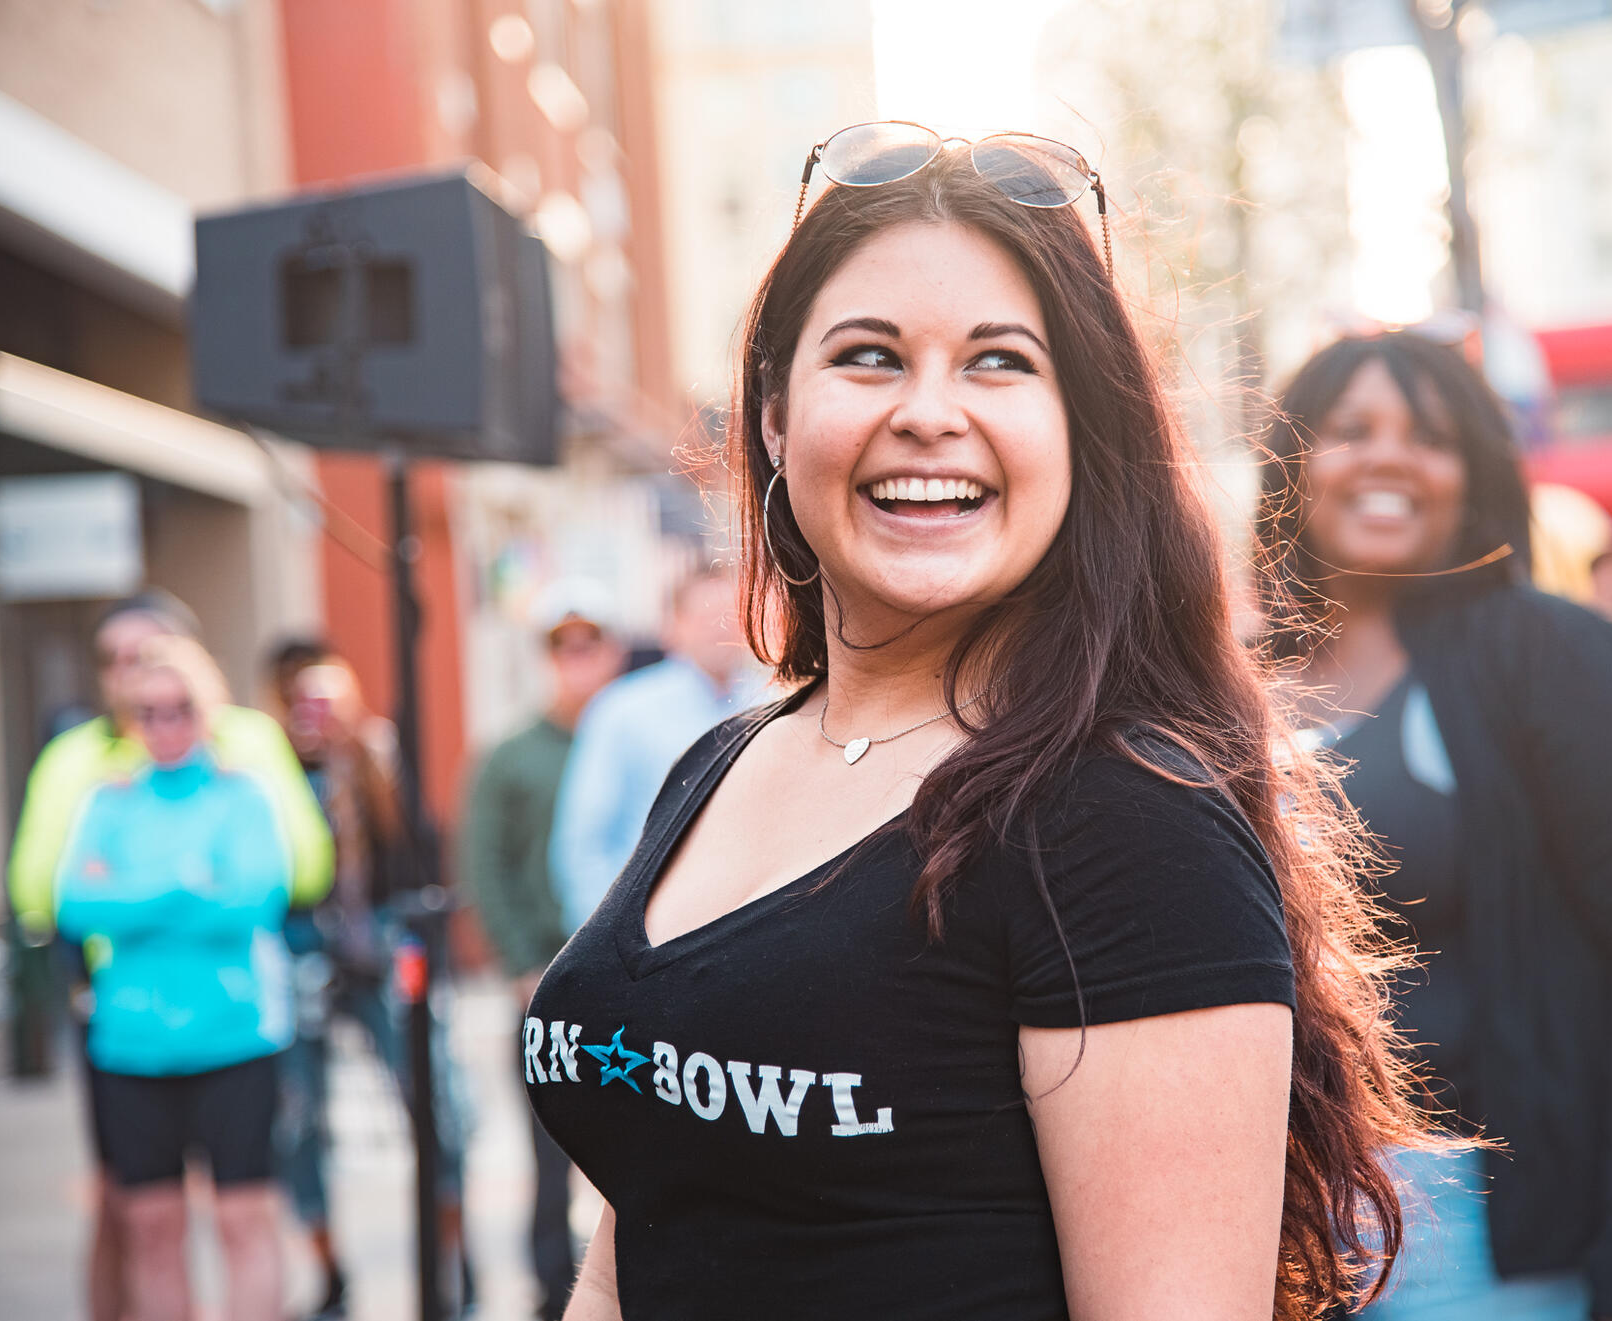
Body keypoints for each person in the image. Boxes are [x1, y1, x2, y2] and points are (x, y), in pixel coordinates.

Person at [523, 121, 1438, 1320]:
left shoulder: (1120, 822)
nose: (930, 412)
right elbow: (638, 1234)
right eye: (868, 357)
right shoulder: (720, 761)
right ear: (773, 419)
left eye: (1000, 362)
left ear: (1081, 432)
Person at [1254, 329, 1612, 1320]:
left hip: (1498, 1242)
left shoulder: (1555, 654)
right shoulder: (1228, 685)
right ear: (1292, 462)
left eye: (1428, 435)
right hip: (1279, 1237)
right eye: (1351, 430)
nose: (1388, 455)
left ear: (1471, 470)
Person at [8, 592, 331, 1321]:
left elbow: (256, 893)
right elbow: (72, 901)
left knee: (242, 1216)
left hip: (234, 1031)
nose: (164, 724)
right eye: (147, 711)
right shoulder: (104, 797)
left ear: (205, 704)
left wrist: (134, 894)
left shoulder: (242, 790)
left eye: (179, 707)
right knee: (149, 1224)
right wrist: (187, 882)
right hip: (131, 1041)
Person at [265, 644, 475, 1319]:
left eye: (328, 702)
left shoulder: (378, 758)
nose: (316, 717)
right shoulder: (273, 775)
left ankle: (454, 1257)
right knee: (297, 1120)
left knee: (436, 1100)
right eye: (303, 704)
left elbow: (419, 856)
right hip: (304, 950)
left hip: (381, 944)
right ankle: (329, 1270)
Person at [462, 583, 627, 1320]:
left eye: (590, 643)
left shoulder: (635, 736)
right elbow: (485, 865)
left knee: (636, 1144)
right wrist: (523, 962)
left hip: (634, 975)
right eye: (565, 645)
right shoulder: (512, 756)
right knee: (545, 1148)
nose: (579, 660)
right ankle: (546, 1289)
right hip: (546, 975)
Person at [548, 566, 758, 929]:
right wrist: (607, 946)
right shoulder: (622, 712)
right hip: (655, 938)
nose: (720, 628)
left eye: (731, 614)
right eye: (706, 616)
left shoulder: (777, 703)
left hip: (752, 930)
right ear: (672, 626)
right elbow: (583, 845)